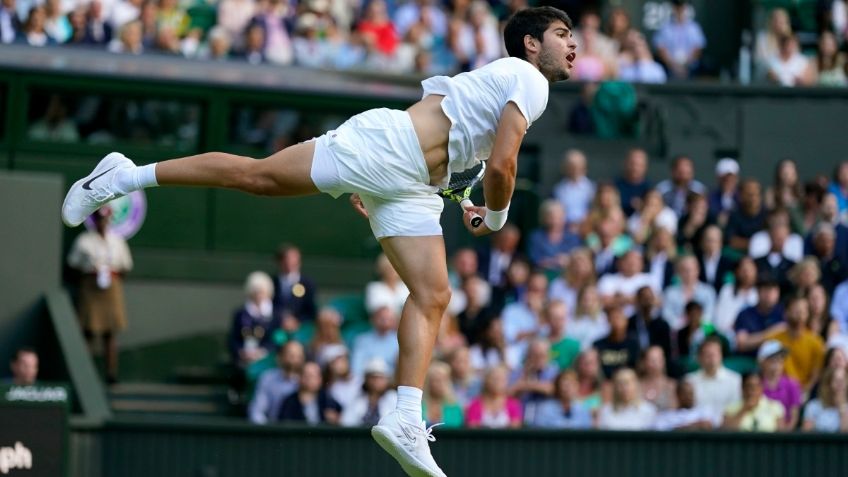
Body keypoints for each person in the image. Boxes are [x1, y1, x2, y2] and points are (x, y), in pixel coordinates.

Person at [62, 7, 577, 475]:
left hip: (412, 183)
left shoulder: (502, 83)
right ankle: (125, 175)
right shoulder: (529, 80)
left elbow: (460, 152)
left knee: (434, 295)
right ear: (531, 44)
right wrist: (495, 218)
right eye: (561, 34)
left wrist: (458, 197)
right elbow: (505, 165)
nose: (573, 45)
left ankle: (404, 418)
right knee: (258, 178)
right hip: (388, 150)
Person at [67, 207, 133, 384]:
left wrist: (111, 276)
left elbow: (126, 267)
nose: (103, 223)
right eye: (100, 220)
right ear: (94, 221)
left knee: (110, 333)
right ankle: (85, 374)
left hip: (111, 288)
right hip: (90, 287)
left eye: (106, 220)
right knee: (88, 332)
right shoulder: (84, 241)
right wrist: (91, 274)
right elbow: (73, 265)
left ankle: (111, 373)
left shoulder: (117, 241)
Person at [771, 297, 825, 393]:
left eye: (803, 310)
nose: (800, 313)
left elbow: (816, 374)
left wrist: (805, 392)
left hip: (806, 392)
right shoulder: (774, 340)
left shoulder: (816, 342)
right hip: (779, 392)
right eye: (796, 309)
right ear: (786, 313)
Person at [249, 340, 305, 424]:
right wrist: (269, 431)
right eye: (290, 355)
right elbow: (256, 411)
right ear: (280, 356)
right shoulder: (267, 378)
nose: (294, 359)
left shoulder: (309, 379)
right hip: (273, 430)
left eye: (298, 356)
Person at [685, 337, 742, 419]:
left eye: (715, 354)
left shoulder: (736, 380)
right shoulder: (689, 380)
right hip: (697, 428)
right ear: (699, 358)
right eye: (708, 355)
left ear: (721, 355)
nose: (712, 359)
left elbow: (735, 410)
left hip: (727, 428)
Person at [652, 0, 705, 80]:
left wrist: (686, 64)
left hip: (690, 68)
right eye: (676, 7)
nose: (679, 10)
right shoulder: (665, 28)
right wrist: (673, 65)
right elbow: (660, 48)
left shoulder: (694, 28)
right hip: (669, 68)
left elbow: (698, 49)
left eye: (681, 7)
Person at [341, 357, 398, 427]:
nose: (377, 381)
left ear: (387, 379)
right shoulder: (356, 398)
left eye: (381, 377)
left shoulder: (394, 398)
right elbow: (346, 423)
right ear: (366, 379)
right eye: (373, 377)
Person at [272, 244, 318, 332]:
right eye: (286, 259)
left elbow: (311, 311)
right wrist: (281, 320)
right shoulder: (271, 283)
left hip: (301, 330)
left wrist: (297, 322)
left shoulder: (308, 284)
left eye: (294, 260)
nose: (290, 263)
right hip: (277, 328)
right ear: (279, 262)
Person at [757, 340, 801, 429]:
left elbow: (794, 417)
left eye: (780, 359)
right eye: (773, 359)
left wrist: (783, 438)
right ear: (762, 362)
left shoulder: (792, 384)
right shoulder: (756, 384)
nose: (778, 363)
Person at [551, 148, 595, 226]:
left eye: (578, 166)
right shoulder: (558, 189)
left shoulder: (591, 188)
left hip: (587, 227)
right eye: (571, 166)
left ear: (584, 167)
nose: (575, 169)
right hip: (564, 228)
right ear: (565, 167)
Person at [802, 367, 848, 432]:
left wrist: (842, 406)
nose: (840, 385)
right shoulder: (813, 406)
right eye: (836, 381)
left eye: (842, 381)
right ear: (828, 384)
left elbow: (845, 433)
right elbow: (807, 433)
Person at [422, 361, 464, 428]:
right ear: (428, 383)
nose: (441, 384)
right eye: (437, 380)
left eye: (445, 380)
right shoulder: (419, 406)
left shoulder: (454, 407)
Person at [615, 148, 651, 217]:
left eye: (640, 165)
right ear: (625, 164)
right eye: (632, 164)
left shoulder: (651, 189)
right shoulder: (614, 186)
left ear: (646, 167)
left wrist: (643, 207)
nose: (635, 168)